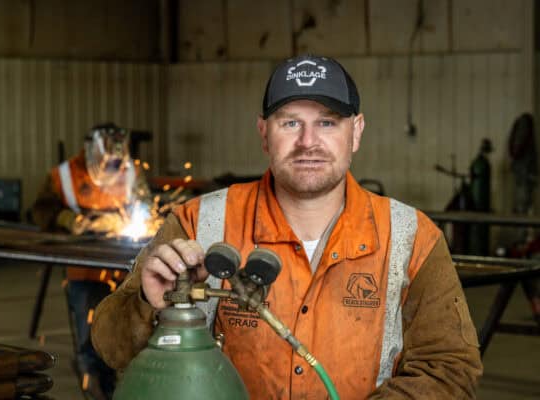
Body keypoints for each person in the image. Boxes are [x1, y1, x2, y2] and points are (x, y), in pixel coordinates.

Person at [91, 56, 483, 399]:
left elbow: (449, 369)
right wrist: (146, 305)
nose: (308, 142)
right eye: (290, 122)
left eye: (327, 123)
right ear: (264, 133)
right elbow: (111, 347)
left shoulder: (413, 237)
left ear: (357, 131)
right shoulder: (197, 223)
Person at [32, 122, 144, 400]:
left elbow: (146, 208)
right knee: (90, 336)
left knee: (129, 330)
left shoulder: (130, 169)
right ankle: (95, 386)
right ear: (91, 152)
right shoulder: (64, 174)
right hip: (85, 271)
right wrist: (67, 219)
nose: (111, 170)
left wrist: (118, 220)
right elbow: (40, 210)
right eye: (105, 165)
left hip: (126, 270)